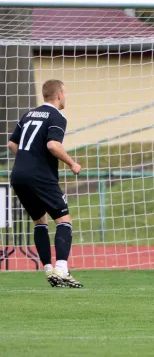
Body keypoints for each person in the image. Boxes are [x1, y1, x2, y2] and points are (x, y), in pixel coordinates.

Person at [8, 79, 83, 288]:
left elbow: (12, 143)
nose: (66, 97)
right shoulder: (57, 116)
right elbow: (52, 144)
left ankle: (49, 269)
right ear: (58, 95)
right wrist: (72, 163)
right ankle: (62, 268)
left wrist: (28, 159)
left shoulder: (29, 114)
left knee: (40, 221)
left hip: (19, 175)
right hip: (40, 176)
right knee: (63, 220)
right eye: (65, 93)